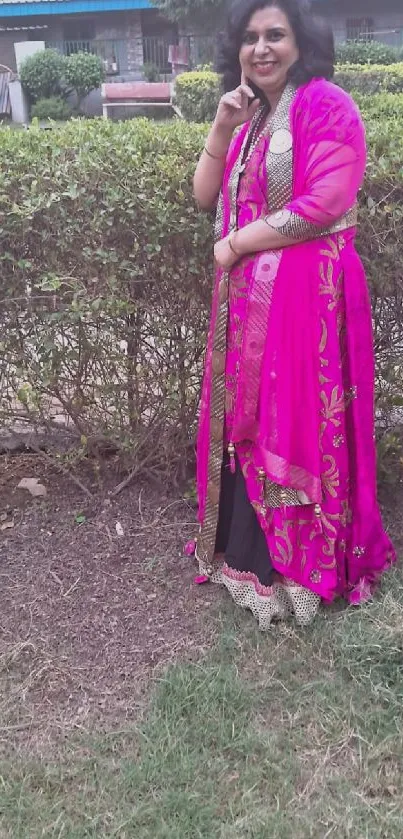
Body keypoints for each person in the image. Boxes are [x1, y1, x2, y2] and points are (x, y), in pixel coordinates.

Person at [192, 0, 395, 628]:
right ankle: (252, 557)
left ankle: (302, 566)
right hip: (250, 305)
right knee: (251, 419)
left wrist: (237, 245)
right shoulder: (253, 119)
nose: (261, 49)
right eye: (250, 38)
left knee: (297, 420)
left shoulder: (326, 103)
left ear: (301, 43)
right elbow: (206, 197)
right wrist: (223, 126)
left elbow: (326, 200)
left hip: (311, 299)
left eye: (274, 35)